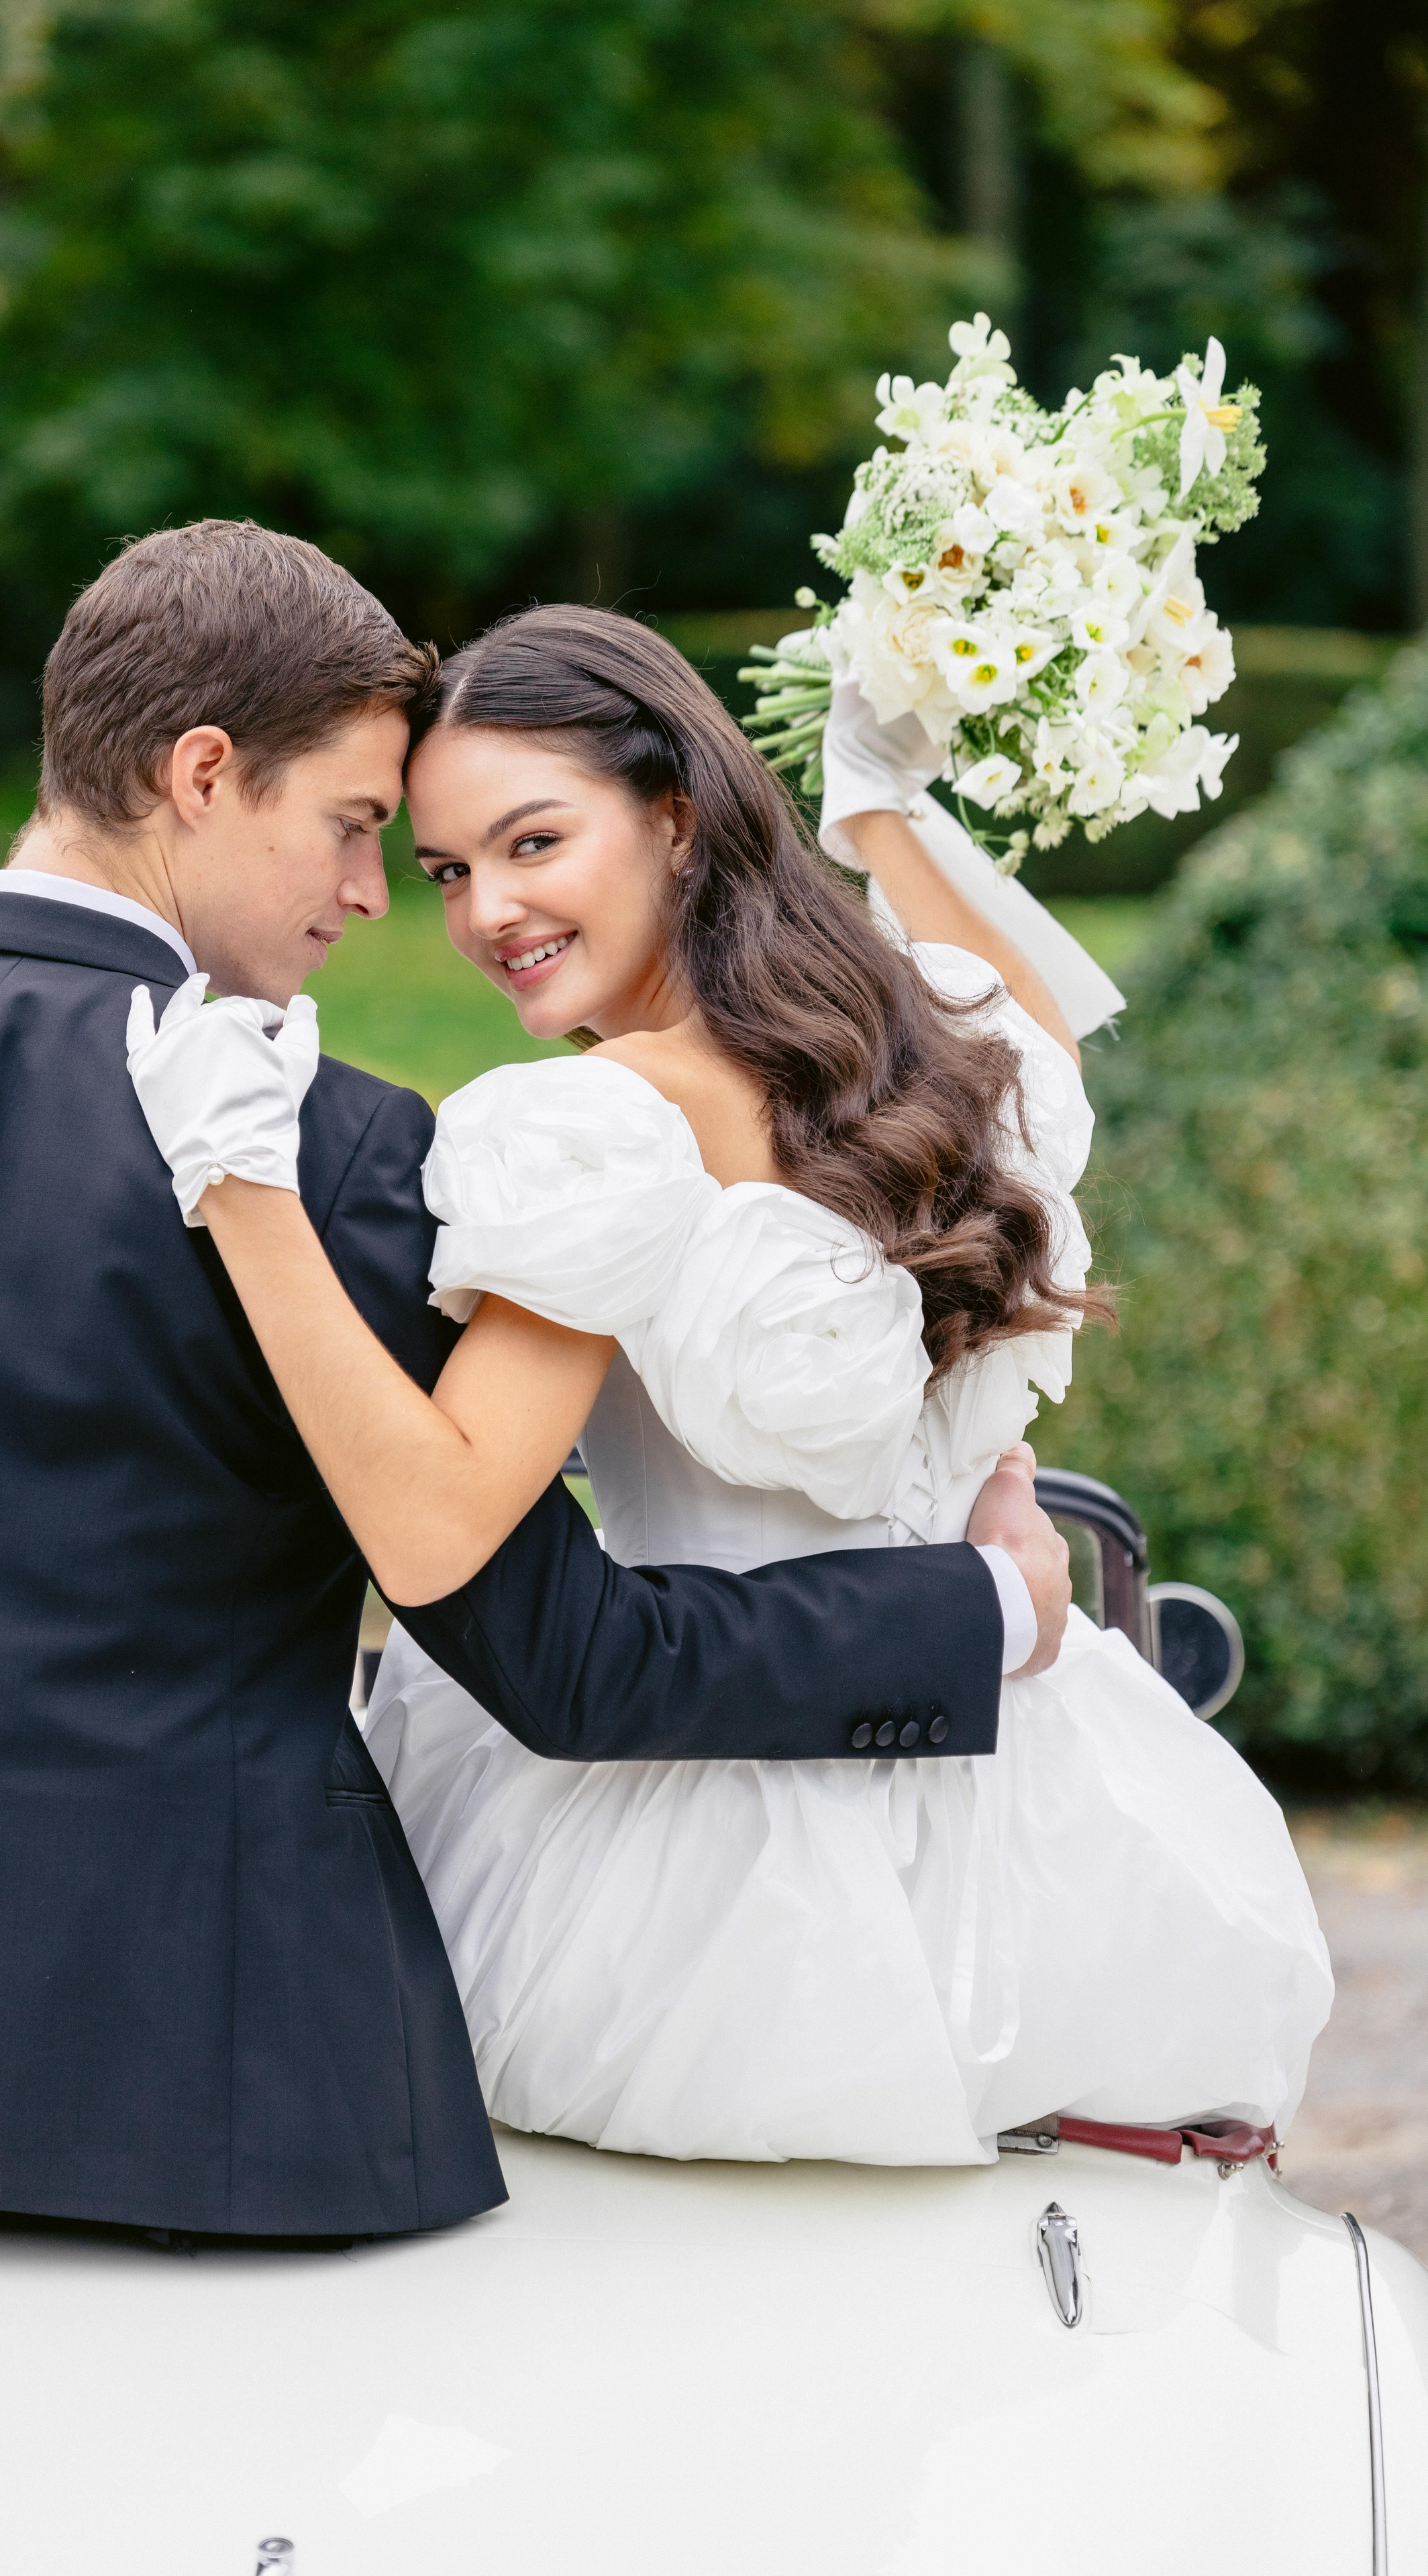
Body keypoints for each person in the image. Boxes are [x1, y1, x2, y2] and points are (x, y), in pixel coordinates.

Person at [0, 525, 1069, 2241]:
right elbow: (564, 1658)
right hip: (215, 2079)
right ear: (202, 774)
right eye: (362, 831)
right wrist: (986, 1609)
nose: (371, 898)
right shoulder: (331, 1146)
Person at [130, 604, 1332, 2167]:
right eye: (444, 871)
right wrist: (880, 804)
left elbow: (430, 1537)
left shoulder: (595, 1135)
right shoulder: (947, 1051)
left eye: (532, 842)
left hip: (709, 1887)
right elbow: (1039, 1026)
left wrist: (240, 1190)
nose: (486, 909)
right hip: (1038, 1814)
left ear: (675, 818)